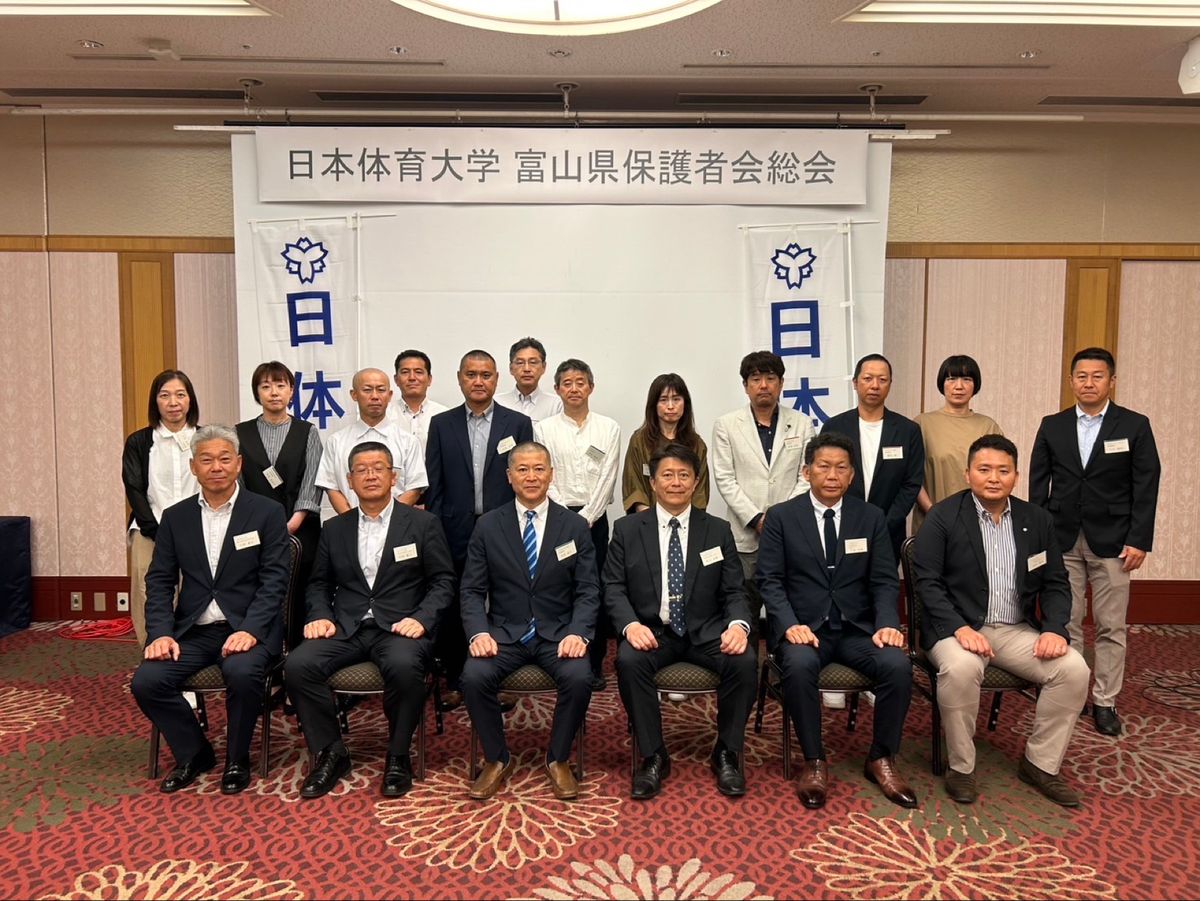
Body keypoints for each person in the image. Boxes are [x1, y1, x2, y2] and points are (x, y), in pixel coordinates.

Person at [914, 434, 1090, 807]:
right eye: (984, 469)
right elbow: (926, 583)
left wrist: (1055, 629)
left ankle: (1040, 764)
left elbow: (1056, 584)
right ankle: (961, 767)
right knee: (961, 668)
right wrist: (959, 628)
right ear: (968, 474)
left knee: (1073, 669)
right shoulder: (943, 516)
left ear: (1016, 476)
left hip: (1014, 630)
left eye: (1003, 470)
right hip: (955, 627)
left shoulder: (1037, 520)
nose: (994, 478)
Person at [285, 441, 456, 799]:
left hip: (400, 627)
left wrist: (422, 619)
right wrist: (320, 615)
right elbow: (318, 583)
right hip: (346, 627)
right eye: (361, 470)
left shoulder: (423, 524)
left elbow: (443, 581)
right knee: (298, 665)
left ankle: (398, 755)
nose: (371, 475)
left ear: (394, 477)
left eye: (379, 468)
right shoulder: (335, 528)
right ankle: (332, 752)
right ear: (349, 481)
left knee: (405, 667)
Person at [756, 432, 917, 810]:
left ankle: (881, 757)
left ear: (852, 475)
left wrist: (887, 623)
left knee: (897, 665)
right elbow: (769, 580)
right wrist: (789, 624)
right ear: (807, 472)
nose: (832, 475)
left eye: (841, 468)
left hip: (858, 629)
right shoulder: (781, 517)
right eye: (824, 467)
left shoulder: (870, 517)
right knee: (798, 666)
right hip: (804, 629)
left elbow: (883, 580)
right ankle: (814, 760)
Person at [130, 425, 290, 795]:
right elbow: (160, 581)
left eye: (224, 459)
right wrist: (160, 634)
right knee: (147, 682)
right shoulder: (176, 517)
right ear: (193, 467)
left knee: (242, 672)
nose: (216, 467)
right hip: (195, 631)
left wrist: (250, 629)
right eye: (206, 460)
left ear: (238, 464)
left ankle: (237, 759)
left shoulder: (267, 512)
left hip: (249, 628)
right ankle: (195, 753)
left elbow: (274, 581)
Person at [605, 443, 756, 800]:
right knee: (628, 661)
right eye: (668, 475)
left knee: (746, 660)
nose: (676, 482)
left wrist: (738, 626)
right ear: (653, 483)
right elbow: (612, 587)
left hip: (706, 630)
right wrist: (630, 626)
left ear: (696, 482)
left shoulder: (717, 529)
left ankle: (727, 752)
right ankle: (653, 755)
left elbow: (735, 590)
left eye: (684, 475)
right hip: (652, 631)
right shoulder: (627, 529)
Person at [1029, 347, 1161, 738]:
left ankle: (1105, 701)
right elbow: (1038, 485)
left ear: (1112, 381)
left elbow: (1147, 484)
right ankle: (1069, 692)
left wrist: (1139, 539)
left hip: (1116, 541)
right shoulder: (1052, 425)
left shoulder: (1135, 425)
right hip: (1061, 538)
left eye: (1097, 376)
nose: (1089, 383)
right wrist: (1038, 536)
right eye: (1082, 376)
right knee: (1064, 620)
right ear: (1071, 381)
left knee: (1110, 625)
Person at [459, 442, 599, 801]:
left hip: (558, 634)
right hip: (504, 633)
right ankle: (497, 758)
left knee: (580, 677)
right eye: (522, 469)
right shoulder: (488, 526)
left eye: (539, 469)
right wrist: (478, 633)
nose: (531, 476)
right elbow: (471, 590)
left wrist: (579, 634)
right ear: (509, 477)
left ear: (551, 475)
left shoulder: (575, 526)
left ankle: (558, 758)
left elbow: (588, 590)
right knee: (473, 677)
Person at [425, 349, 535, 700]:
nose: (478, 381)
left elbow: (525, 478)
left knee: (507, 599)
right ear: (459, 379)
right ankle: (458, 679)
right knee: (459, 599)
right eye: (471, 374)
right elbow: (435, 484)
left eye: (485, 375)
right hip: (454, 529)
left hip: (505, 527)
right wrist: (436, 530)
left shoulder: (517, 423)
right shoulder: (441, 424)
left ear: (496, 379)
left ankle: (504, 676)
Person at [711, 350, 814, 648]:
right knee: (745, 607)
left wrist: (779, 519)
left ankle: (786, 665)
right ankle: (748, 665)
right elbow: (725, 479)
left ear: (781, 383)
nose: (764, 385)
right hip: (745, 536)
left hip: (789, 533)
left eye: (770, 378)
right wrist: (757, 519)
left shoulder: (802, 423)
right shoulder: (727, 425)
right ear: (745, 386)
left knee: (787, 606)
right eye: (756, 379)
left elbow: (806, 477)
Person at [534, 359, 621, 690]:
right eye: (567, 383)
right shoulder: (544, 429)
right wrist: (569, 518)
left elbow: (608, 476)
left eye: (580, 382)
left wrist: (586, 517)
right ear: (557, 389)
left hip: (595, 520)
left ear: (591, 387)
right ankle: (557, 656)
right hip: (556, 516)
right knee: (558, 585)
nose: (574, 388)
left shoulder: (609, 428)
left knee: (593, 587)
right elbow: (546, 474)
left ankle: (594, 662)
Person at [236, 361, 323, 648]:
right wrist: (261, 525)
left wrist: (293, 522)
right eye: (266, 386)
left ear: (291, 391)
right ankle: (260, 649)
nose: (274, 392)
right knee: (255, 586)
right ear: (256, 393)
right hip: (252, 527)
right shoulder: (240, 433)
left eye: (280, 385)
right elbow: (238, 484)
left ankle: (298, 653)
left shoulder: (307, 432)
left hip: (301, 526)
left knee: (301, 589)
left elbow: (312, 480)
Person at [122, 369, 201, 648]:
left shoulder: (205, 439)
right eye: (165, 395)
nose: (173, 402)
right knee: (148, 592)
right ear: (155, 401)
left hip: (199, 531)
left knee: (195, 593)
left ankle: (190, 657)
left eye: (180, 395)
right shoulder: (139, 442)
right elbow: (134, 488)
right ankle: (152, 652)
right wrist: (156, 529)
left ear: (190, 400)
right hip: (150, 530)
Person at [821, 353, 924, 563]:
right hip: (842, 526)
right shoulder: (834, 426)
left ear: (890, 384)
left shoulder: (908, 430)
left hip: (889, 531)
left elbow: (911, 483)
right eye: (868, 378)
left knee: (884, 580)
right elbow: (824, 477)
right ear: (855, 383)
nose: (875, 385)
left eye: (882, 379)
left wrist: (885, 523)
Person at [316, 368, 427, 513]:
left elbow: (414, 488)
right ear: (354, 395)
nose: (375, 396)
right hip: (350, 523)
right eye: (367, 390)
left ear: (389, 395)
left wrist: (390, 520)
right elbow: (331, 487)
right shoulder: (336, 441)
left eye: (381, 390)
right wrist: (353, 520)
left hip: (398, 524)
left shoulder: (408, 441)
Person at [913, 354, 1003, 532]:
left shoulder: (988, 426)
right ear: (942, 383)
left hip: (978, 523)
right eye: (951, 379)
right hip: (931, 520)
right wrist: (934, 514)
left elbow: (998, 476)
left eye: (966, 379)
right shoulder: (922, 424)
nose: (959, 386)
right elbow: (911, 478)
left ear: (975, 385)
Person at [622, 373, 710, 514]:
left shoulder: (697, 444)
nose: (670, 406)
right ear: (654, 405)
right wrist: (651, 520)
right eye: (663, 400)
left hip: (686, 521)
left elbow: (700, 491)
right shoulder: (639, 441)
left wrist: (681, 520)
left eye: (676, 399)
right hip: (646, 518)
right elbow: (634, 486)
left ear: (685, 404)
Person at [496, 337, 563, 424]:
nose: (527, 369)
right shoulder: (497, 402)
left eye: (533, 362)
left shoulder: (556, 405)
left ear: (543, 367)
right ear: (511, 368)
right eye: (520, 363)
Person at [392, 349, 448, 452]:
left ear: (429, 379)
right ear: (396, 380)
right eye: (405, 372)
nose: (412, 378)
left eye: (418, 372)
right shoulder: (385, 414)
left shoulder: (444, 415)